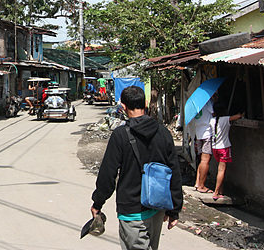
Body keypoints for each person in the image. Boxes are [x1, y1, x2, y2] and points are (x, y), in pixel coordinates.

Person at [90, 86, 182, 250]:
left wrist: (98, 203)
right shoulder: (163, 132)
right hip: (157, 206)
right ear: (145, 103)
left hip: (132, 211)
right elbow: (174, 171)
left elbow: (108, 174)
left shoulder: (120, 135)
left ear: (123, 107)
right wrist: (174, 209)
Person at [211, 103, 244, 201]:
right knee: (221, 170)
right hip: (224, 147)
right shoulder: (225, 119)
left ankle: (220, 191)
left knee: (219, 169)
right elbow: (238, 116)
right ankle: (216, 192)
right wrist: (241, 114)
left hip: (215, 147)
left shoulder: (212, 120)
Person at [194, 95, 215, 193]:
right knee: (205, 160)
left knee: (202, 159)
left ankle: (197, 182)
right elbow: (214, 113)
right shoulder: (208, 101)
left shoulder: (195, 104)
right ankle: (202, 186)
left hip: (198, 133)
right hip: (207, 132)